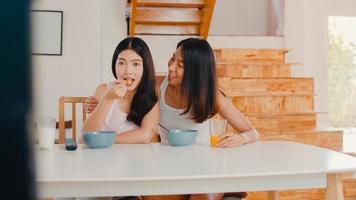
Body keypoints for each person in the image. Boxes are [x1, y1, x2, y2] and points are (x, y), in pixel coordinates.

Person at [85, 38, 258, 200]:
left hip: (206, 164)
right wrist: (99, 104)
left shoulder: (211, 96)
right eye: (172, 59)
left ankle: (227, 187)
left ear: (196, 72)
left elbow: (252, 132)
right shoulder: (158, 86)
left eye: (180, 65)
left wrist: (242, 138)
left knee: (203, 193)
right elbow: (129, 97)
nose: (171, 67)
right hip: (170, 163)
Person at [82, 37, 159, 144]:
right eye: (121, 63)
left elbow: (146, 134)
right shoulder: (103, 90)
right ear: (115, 64)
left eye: (136, 64)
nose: (128, 71)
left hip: (132, 157)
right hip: (101, 155)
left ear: (145, 68)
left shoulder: (150, 95)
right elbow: (87, 133)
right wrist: (108, 99)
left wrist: (106, 139)